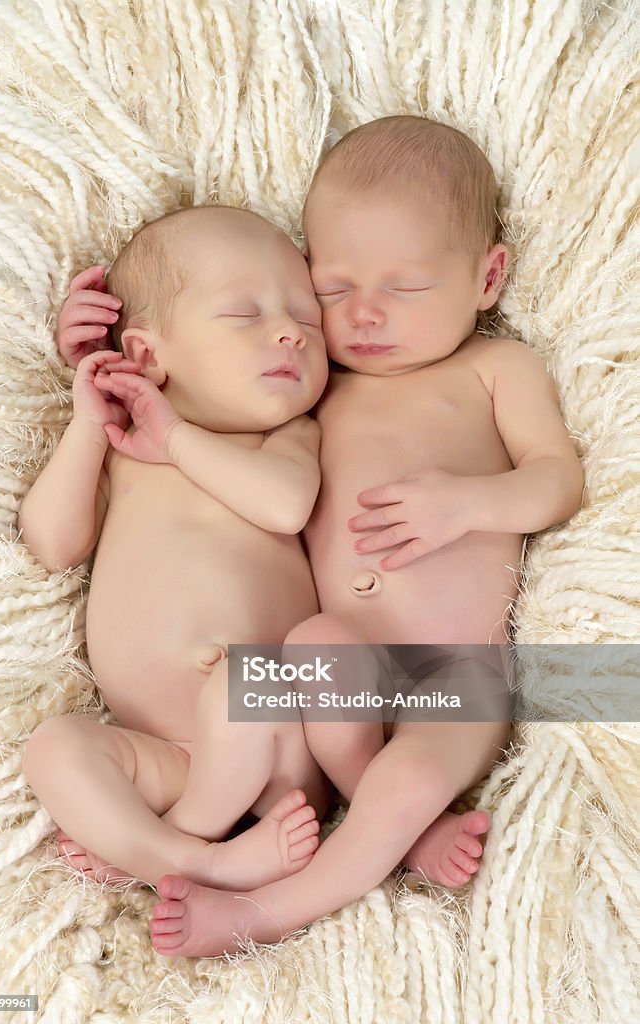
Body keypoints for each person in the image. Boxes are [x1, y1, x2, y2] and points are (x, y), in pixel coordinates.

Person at [139, 115, 584, 956]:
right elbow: (196, 377)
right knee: (311, 642)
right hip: (349, 669)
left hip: (457, 670)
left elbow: (556, 479)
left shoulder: (495, 369)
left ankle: (265, 912)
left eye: (405, 289)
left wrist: (468, 503)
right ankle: (397, 827)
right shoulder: (312, 384)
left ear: (487, 276)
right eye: (333, 290)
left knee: (412, 770)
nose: (365, 316)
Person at [20, 205, 334, 892]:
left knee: (243, 681)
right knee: (53, 747)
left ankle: (179, 843)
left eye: (307, 319)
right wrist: (87, 422)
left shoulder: (285, 438)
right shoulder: (120, 449)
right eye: (244, 314)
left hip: (276, 742)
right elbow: (52, 542)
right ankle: (197, 859)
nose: (290, 332)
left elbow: (286, 504)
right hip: (167, 755)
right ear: (144, 355)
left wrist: (178, 441)